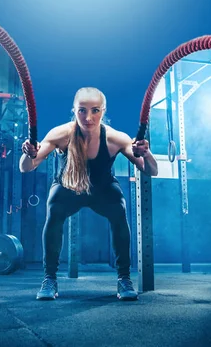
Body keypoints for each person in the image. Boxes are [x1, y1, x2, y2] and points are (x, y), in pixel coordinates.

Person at [19, 87, 159, 301]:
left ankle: (124, 278)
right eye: (82, 110)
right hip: (68, 188)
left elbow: (151, 170)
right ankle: (49, 279)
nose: (89, 117)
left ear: (103, 111)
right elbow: (26, 167)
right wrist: (28, 154)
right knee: (54, 208)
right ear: (74, 110)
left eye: (95, 110)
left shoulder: (115, 138)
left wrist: (146, 153)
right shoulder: (60, 135)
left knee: (119, 210)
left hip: (101, 189)